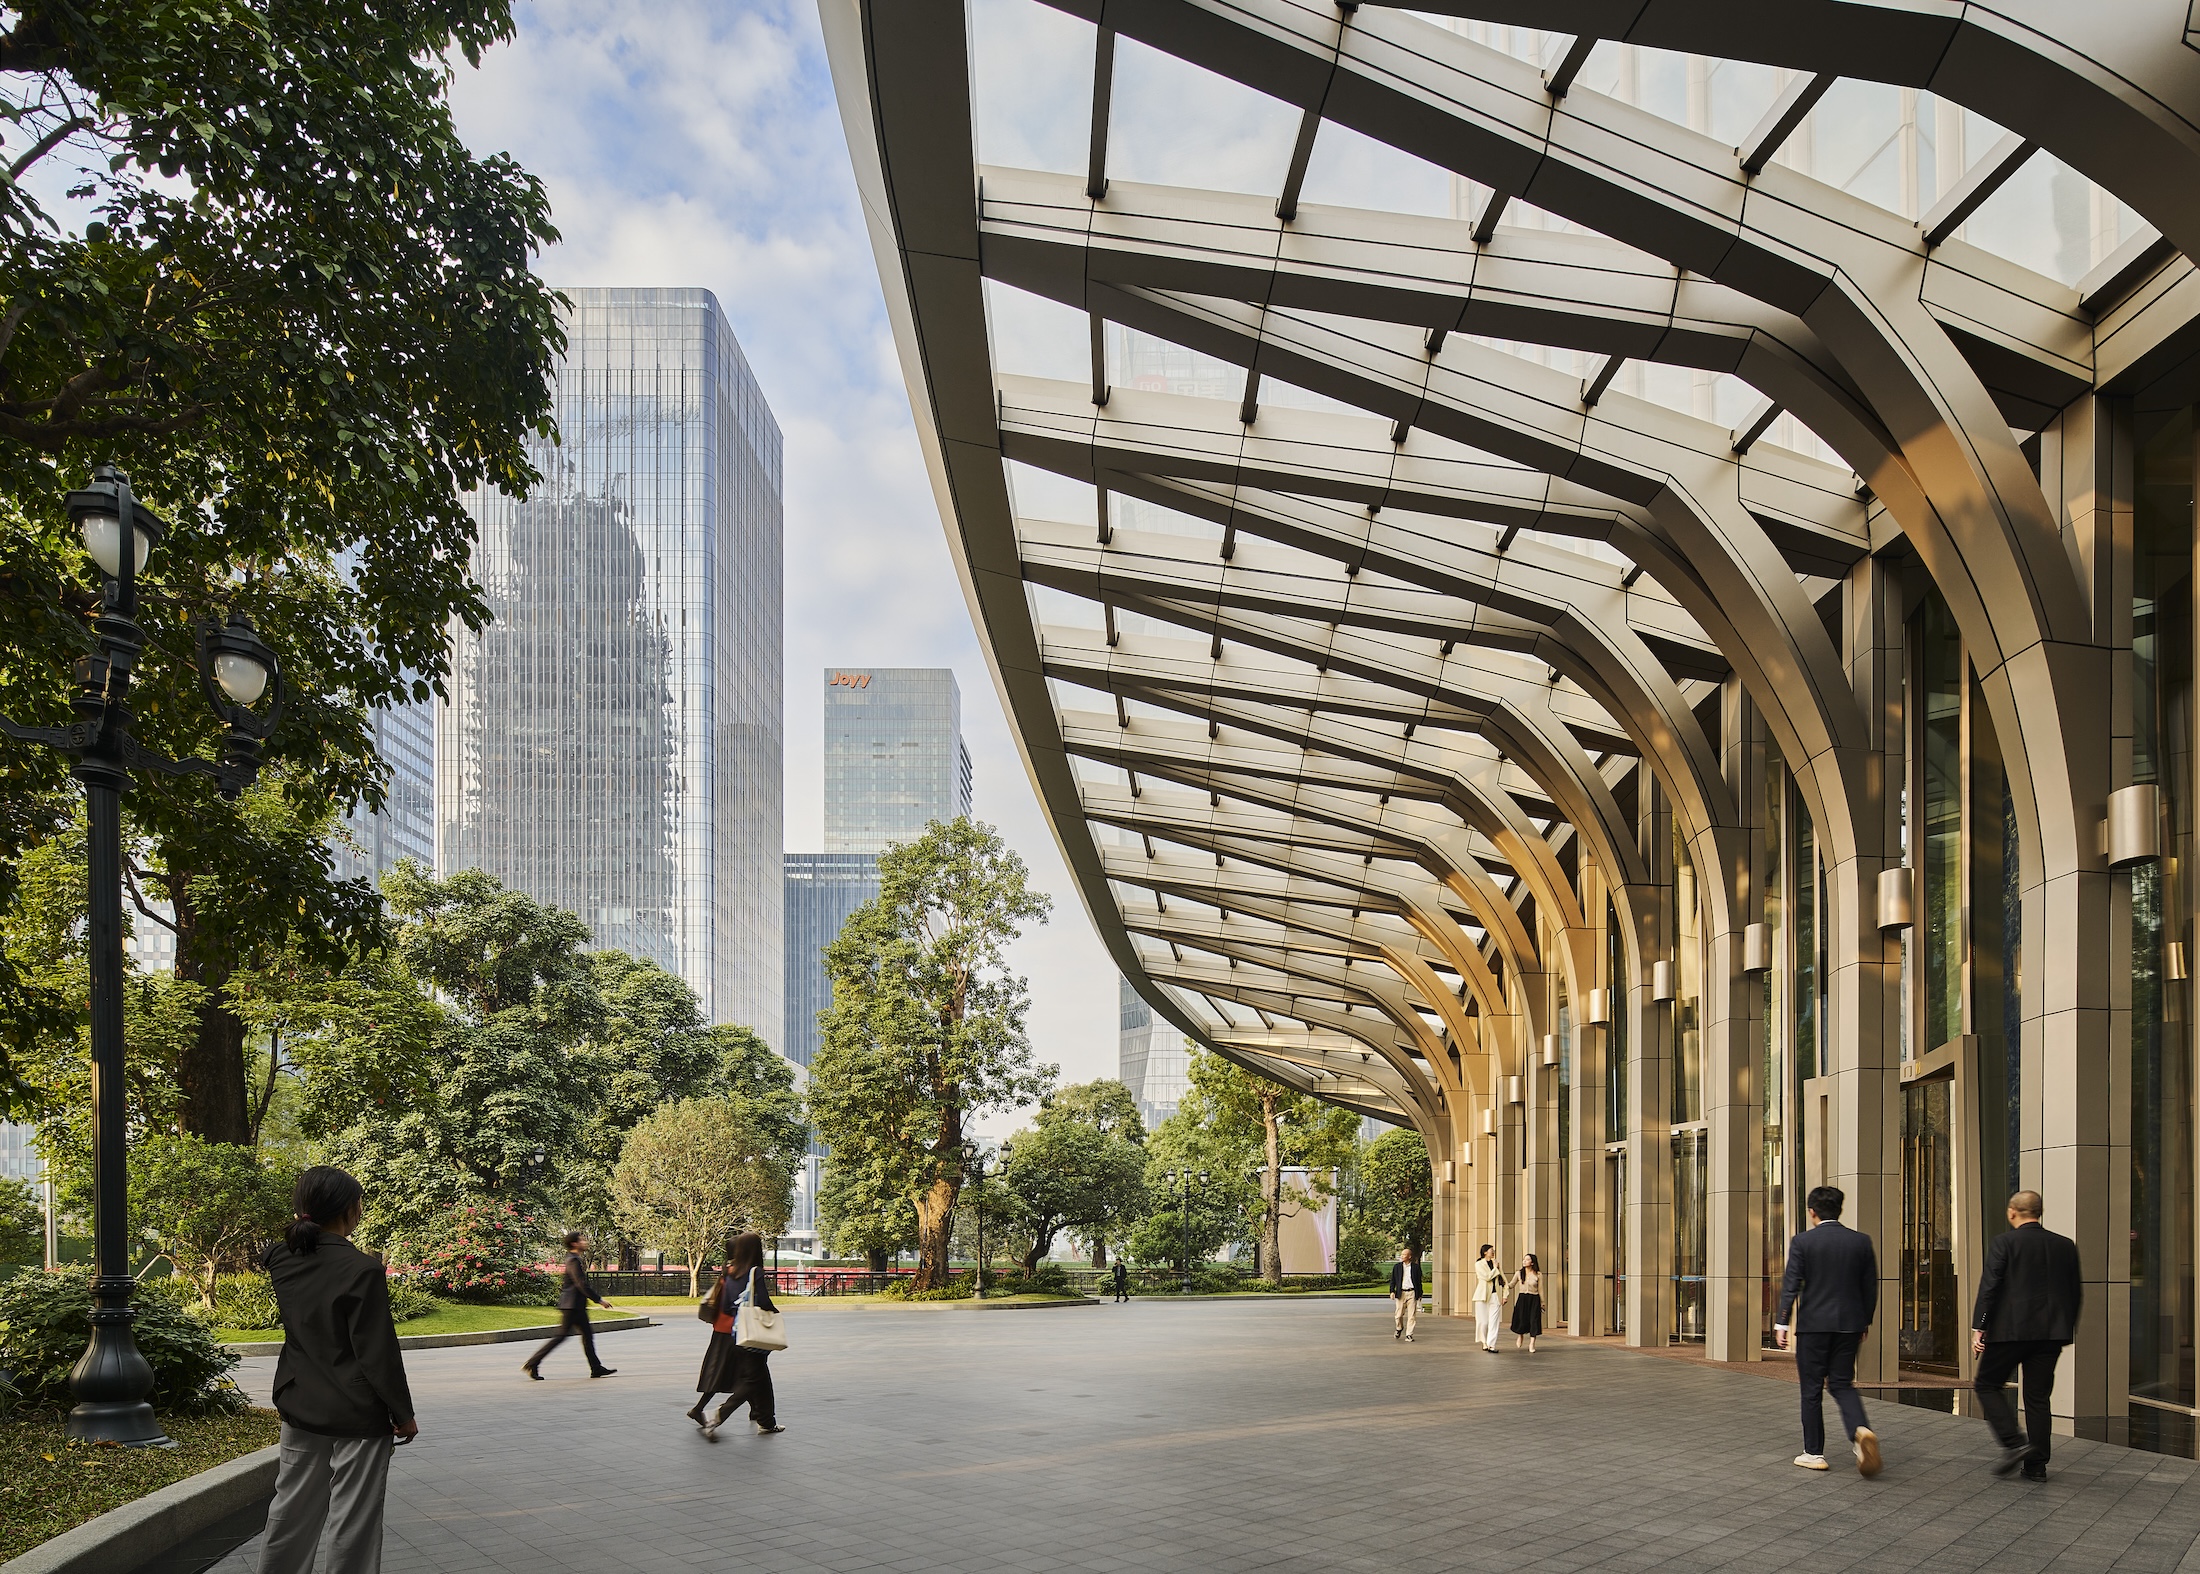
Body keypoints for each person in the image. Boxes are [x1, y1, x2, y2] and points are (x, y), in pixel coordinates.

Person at [258, 1165, 416, 1574]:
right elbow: (376, 1350)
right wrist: (403, 1412)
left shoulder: (280, 1258)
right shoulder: (361, 1268)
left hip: (300, 1399)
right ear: (348, 1209)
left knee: (290, 1509)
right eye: (359, 1203)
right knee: (353, 1519)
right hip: (357, 1411)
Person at [1971, 1190, 2083, 1482]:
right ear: (2039, 1212)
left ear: (2012, 1212)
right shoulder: (2065, 1246)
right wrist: (2065, 1328)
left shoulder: (2004, 1243)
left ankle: (2014, 1443)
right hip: (2050, 1334)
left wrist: (1979, 1327)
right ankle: (2036, 1466)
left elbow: (1990, 1287)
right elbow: (2075, 1292)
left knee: (1986, 1384)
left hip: (2010, 1332)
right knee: (2037, 1398)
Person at [1774, 1184, 1882, 1477]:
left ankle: (1813, 1453)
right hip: (1849, 1325)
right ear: (1840, 1209)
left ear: (1812, 1212)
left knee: (1811, 1389)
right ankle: (1861, 1431)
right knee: (1842, 1384)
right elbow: (1870, 1287)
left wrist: (1782, 1321)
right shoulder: (1861, 1242)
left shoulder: (1803, 1242)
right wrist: (1864, 1322)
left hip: (1813, 1327)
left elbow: (1792, 1284)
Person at [688, 1232, 784, 1439]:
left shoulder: (730, 1272)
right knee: (751, 1380)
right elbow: (764, 1302)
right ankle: (717, 1415)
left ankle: (767, 1422)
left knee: (761, 1378)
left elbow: (726, 1305)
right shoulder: (755, 1271)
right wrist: (776, 1314)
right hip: (752, 1336)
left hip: (735, 1333)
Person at [523, 1231, 621, 1380]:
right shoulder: (573, 1260)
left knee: (586, 1336)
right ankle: (532, 1363)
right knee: (561, 1337)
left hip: (575, 1305)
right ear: (575, 1244)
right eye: (582, 1240)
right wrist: (599, 1300)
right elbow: (580, 1284)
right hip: (572, 1306)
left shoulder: (573, 1259)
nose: (585, 1242)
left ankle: (596, 1368)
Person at [1471, 1243, 1507, 1352]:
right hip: (1482, 1295)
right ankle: (1484, 1342)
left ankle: (1492, 1345)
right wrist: (1495, 1269)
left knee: (1494, 1321)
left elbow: (1503, 1280)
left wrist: (1505, 1295)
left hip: (1495, 1295)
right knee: (1483, 1322)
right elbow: (1486, 1277)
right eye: (1491, 1250)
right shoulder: (1479, 1264)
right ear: (1485, 1252)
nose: (1493, 1251)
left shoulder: (1496, 1263)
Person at [1510, 1253, 1544, 1353]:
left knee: (1534, 1320)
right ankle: (1520, 1335)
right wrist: (1502, 1283)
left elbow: (1541, 1289)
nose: (1524, 1261)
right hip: (1522, 1298)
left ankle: (1532, 1343)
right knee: (1522, 1319)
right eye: (1524, 1259)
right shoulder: (1519, 1273)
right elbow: (1511, 1284)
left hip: (1534, 1298)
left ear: (1532, 1262)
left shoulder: (1538, 1274)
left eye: (1527, 1259)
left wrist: (1543, 1302)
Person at [1388, 1247, 1423, 1341]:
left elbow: (1419, 1282)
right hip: (1401, 1293)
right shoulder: (1397, 1267)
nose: (1402, 1256)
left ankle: (1409, 1334)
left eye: (1404, 1254)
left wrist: (1420, 1294)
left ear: (1409, 1256)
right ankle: (1399, 1328)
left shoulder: (1415, 1267)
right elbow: (1393, 1280)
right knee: (1398, 1315)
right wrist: (1392, 1291)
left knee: (1412, 1315)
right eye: (1402, 1254)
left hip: (1412, 1293)